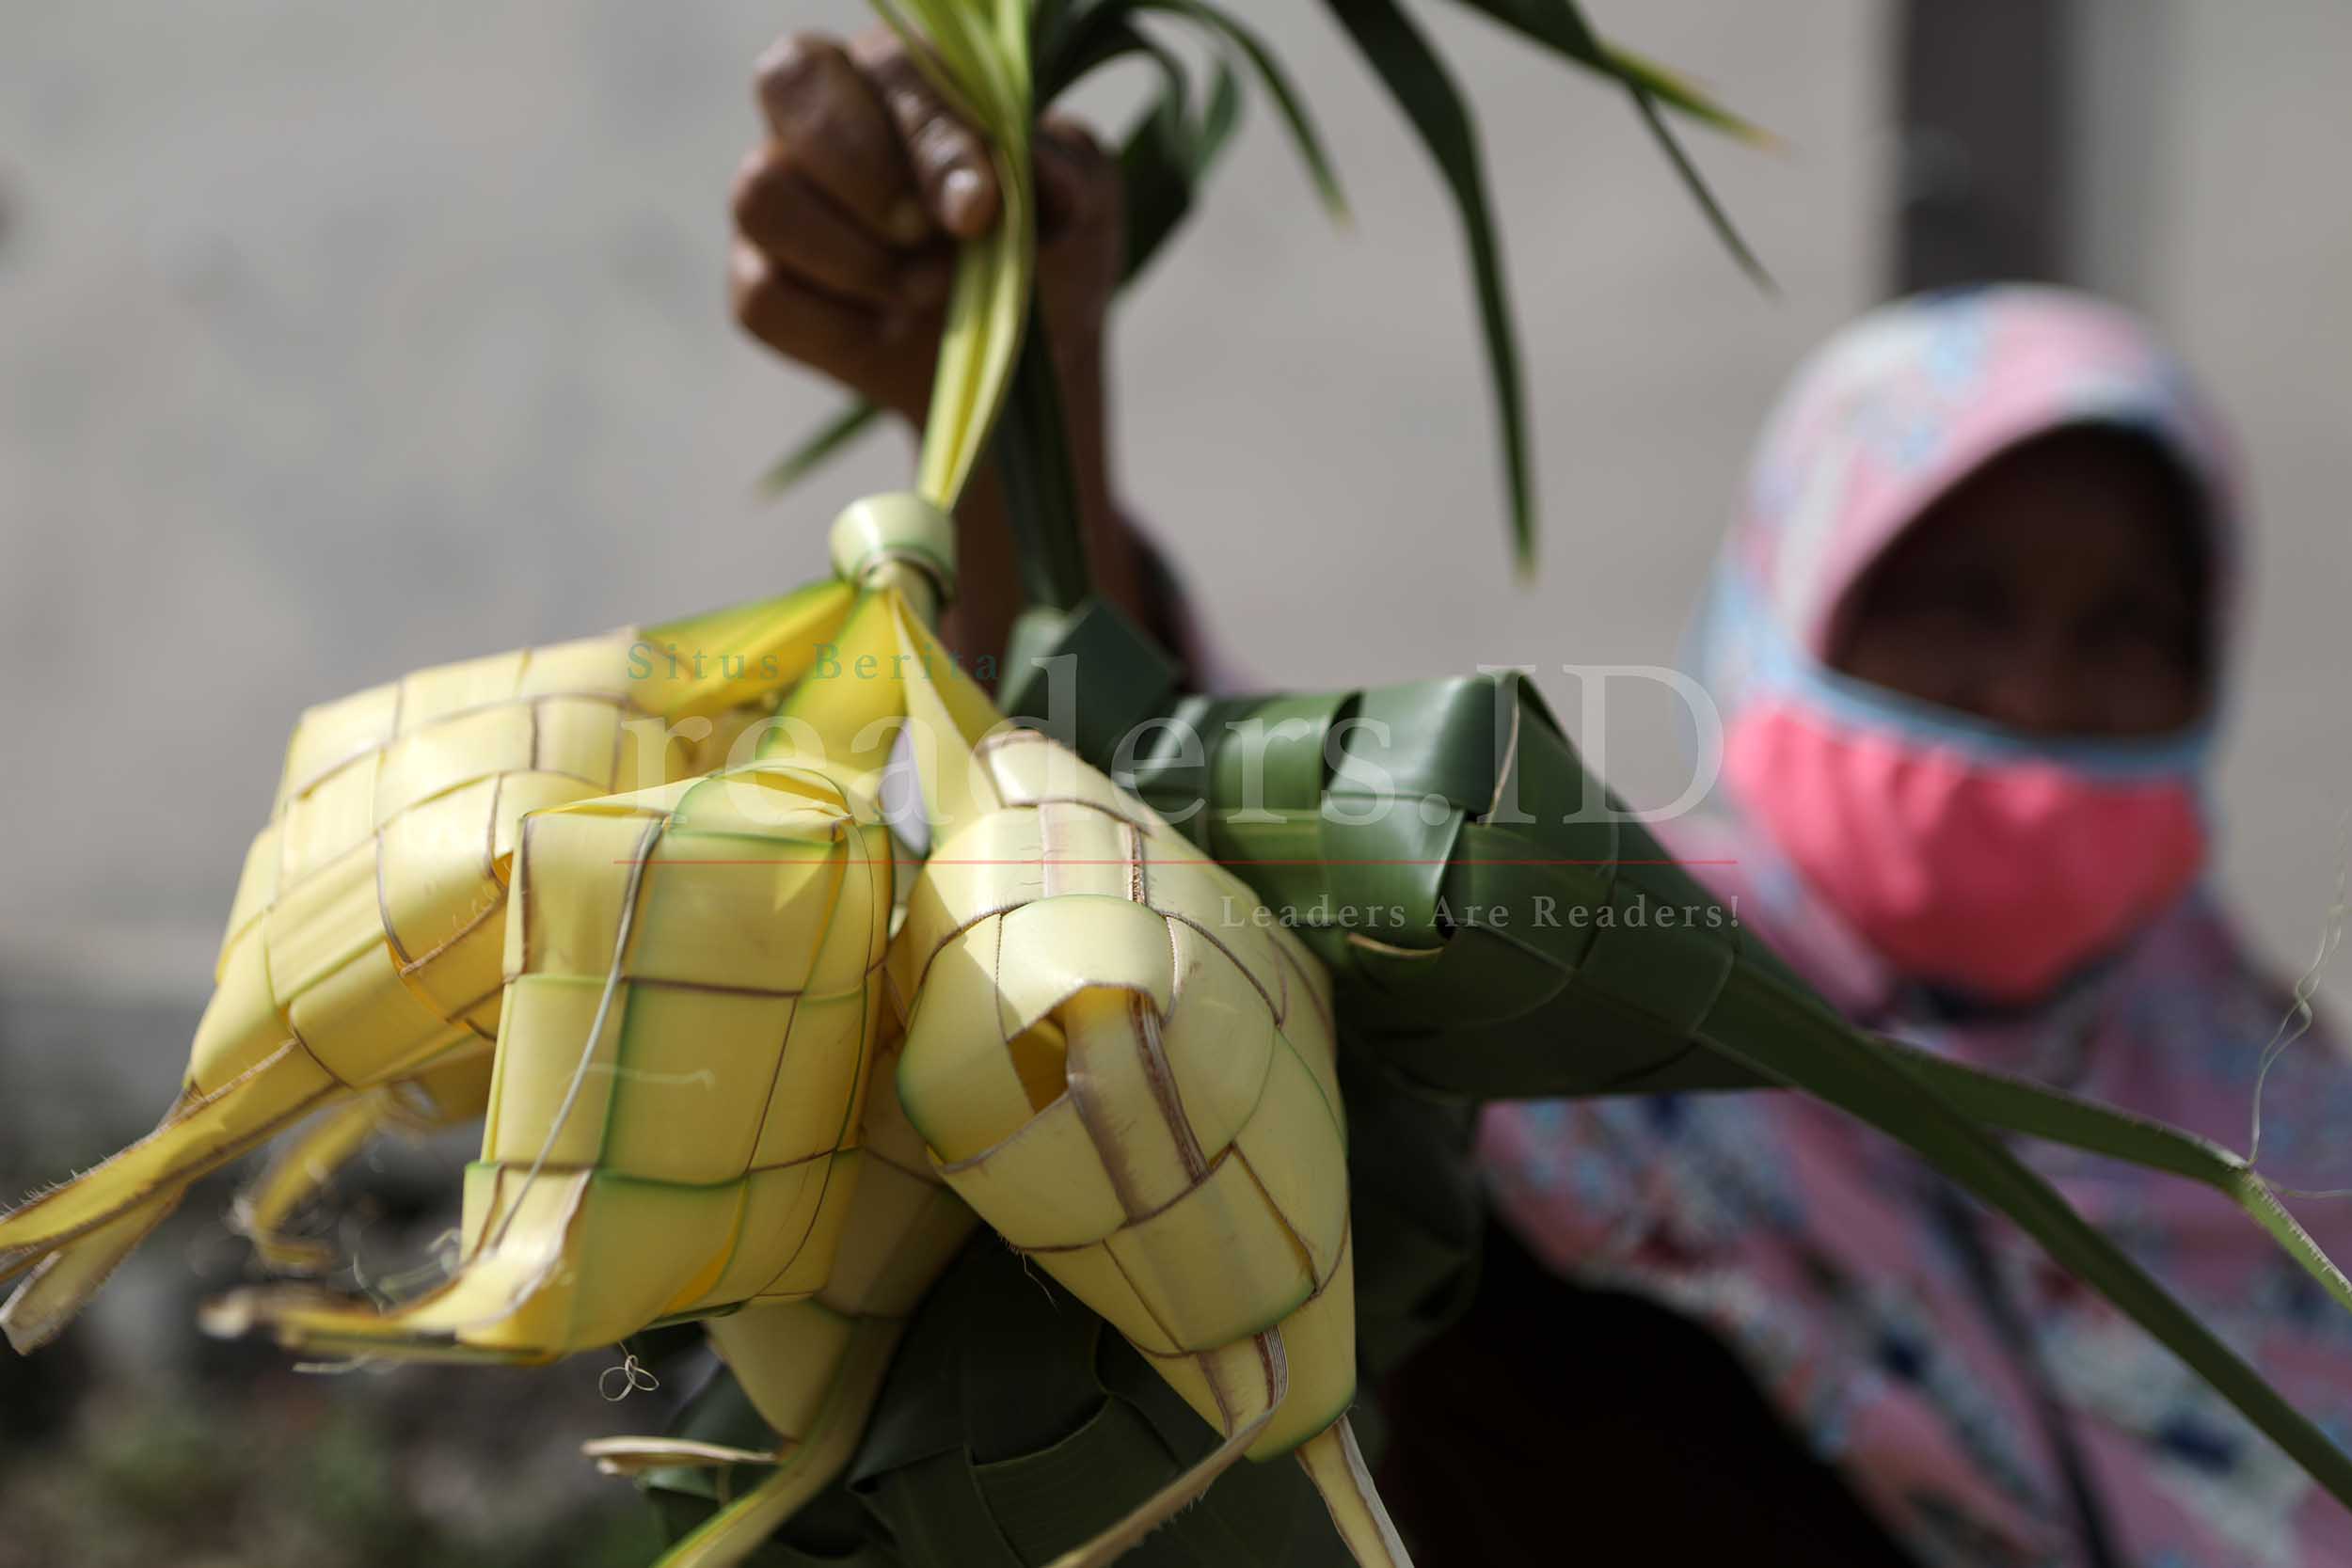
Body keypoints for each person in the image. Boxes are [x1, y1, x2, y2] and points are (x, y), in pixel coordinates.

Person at [732, 36, 2352, 1567]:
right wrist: (1022, 376)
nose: (2039, 697)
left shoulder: (2282, 1136)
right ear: (1791, 600)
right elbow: (1170, 873)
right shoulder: (1587, 1026)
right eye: (1960, 603)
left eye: (2125, 632)